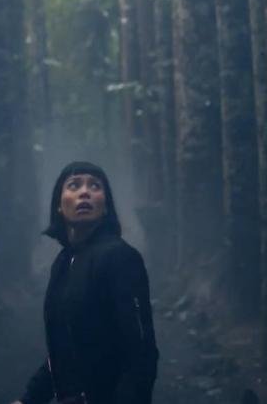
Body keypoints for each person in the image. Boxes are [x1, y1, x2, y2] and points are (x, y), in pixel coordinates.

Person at [11, 161, 159, 404]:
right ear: (59, 205)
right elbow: (65, 348)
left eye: (95, 186)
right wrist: (29, 399)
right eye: (74, 185)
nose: (85, 192)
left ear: (106, 206)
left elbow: (141, 355)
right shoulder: (62, 263)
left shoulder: (120, 257)